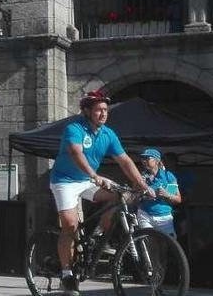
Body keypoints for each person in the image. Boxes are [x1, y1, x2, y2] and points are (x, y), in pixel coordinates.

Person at [51, 91, 154, 296]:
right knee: (70, 225)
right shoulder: (75, 128)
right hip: (65, 181)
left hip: (87, 181)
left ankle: (98, 236)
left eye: (105, 110)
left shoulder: (108, 134)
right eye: (98, 110)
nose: (103, 113)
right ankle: (66, 275)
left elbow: (124, 160)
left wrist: (141, 184)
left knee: (123, 196)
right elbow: (75, 152)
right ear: (87, 111)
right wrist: (94, 174)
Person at [137, 148, 181, 238]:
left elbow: (177, 199)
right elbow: (134, 196)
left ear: (157, 161)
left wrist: (167, 194)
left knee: (167, 245)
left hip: (164, 217)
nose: (144, 161)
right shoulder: (140, 177)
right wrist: (143, 195)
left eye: (147, 158)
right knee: (149, 244)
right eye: (142, 159)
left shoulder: (168, 176)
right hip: (145, 215)